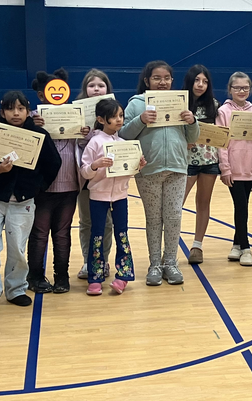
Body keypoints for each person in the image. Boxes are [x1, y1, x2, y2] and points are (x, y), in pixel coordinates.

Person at [0, 91, 62, 313]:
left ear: (27, 110)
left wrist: (37, 187)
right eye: (11, 109)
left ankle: (16, 289)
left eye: (20, 108)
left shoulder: (39, 135)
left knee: (18, 249)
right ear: (2, 111)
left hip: (23, 201)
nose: (16, 113)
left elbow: (54, 163)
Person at [121, 61, 199, 286]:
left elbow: (192, 136)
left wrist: (192, 121)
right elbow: (125, 134)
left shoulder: (180, 102)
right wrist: (141, 120)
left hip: (177, 168)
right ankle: (154, 264)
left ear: (172, 81)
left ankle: (171, 263)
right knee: (153, 219)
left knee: (174, 217)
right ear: (147, 81)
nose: (162, 82)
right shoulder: (136, 104)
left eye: (166, 78)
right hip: (149, 169)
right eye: (157, 78)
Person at [28, 69, 86, 294]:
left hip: (70, 185)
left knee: (62, 234)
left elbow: (85, 146)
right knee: (39, 233)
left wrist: (84, 134)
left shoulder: (75, 115)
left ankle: (62, 276)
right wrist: (32, 126)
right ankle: (35, 276)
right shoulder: (33, 116)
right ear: (42, 96)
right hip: (43, 187)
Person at [80, 98, 144, 295]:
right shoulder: (94, 143)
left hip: (120, 196)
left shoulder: (125, 143)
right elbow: (84, 172)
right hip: (98, 196)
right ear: (101, 119)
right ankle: (95, 277)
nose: (119, 120)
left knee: (122, 234)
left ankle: (123, 276)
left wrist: (137, 165)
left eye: (121, 116)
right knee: (97, 235)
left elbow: (128, 172)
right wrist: (96, 165)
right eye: (114, 117)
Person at [216, 72, 252, 266]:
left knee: (243, 206)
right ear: (230, 89)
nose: (241, 91)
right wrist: (225, 168)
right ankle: (246, 248)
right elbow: (221, 143)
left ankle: (236, 245)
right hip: (233, 167)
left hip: (250, 167)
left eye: (245, 88)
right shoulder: (223, 112)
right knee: (241, 207)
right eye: (237, 88)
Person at [74, 69, 114, 281]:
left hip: (106, 177)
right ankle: (88, 261)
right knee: (86, 221)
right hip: (84, 175)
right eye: (92, 85)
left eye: (100, 85)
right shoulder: (76, 110)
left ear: (107, 88)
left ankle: (104, 260)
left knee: (106, 221)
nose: (96, 89)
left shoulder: (114, 110)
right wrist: (77, 134)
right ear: (85, 89)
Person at [183, 65, 219, 265]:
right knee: (176, 205)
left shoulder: (214, 104)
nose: (201, 84)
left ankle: (197, 245)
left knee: (203, 203)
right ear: (189, 81)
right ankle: (168, 247)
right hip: (186, 162)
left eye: (205, 81)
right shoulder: (180, 103)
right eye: (197, 80)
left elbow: (220, 133)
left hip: (209, 161)